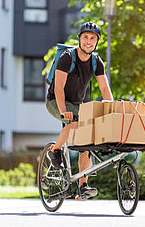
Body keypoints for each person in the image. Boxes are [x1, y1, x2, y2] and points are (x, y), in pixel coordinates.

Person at [46, 22, 113, 200]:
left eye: (93, 38)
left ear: (97, 41)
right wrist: (63, 111)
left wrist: (112, 111)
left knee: (86, 144)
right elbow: (59, 88)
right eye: (85, 37)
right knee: (74, 122)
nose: (89, 41)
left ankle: (82, 185)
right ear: (80, 39)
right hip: (56, 100)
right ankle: (55, 151)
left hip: (77, 104)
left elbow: (105, 90)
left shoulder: (96, 62)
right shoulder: (67, 58)